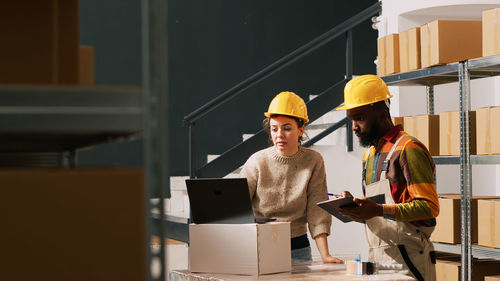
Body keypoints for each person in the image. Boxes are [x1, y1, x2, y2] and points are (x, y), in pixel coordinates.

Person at [335, 75, 439, 281]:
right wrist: (357, 208)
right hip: (380, 259)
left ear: (382, 114)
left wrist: (378, 210)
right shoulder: (370, 155)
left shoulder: (409, 149)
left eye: (360, 118)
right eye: (352, 119)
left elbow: (429, 207)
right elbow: (378, 211)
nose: (354, 126)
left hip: (410, 260)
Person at [240, 91, 342, 264]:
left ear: (301, 129)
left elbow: (317, 211)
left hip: (298, 249)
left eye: (287, 128)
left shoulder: (313, 160)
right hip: (259, 246)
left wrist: (325, 255)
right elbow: (236, 206)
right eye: (274, 129)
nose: (279, 134)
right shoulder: (257, 161)